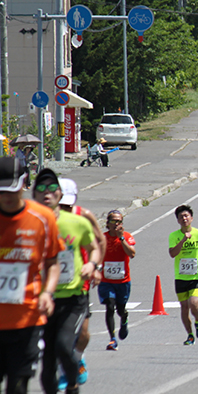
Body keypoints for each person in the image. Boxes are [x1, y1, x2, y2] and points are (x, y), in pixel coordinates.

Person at [33, 169, 102, 394]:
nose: (47, 193)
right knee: (48, 361)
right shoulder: (30, 224)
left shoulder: (77, 222)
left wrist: (92, 265)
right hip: (43, 300)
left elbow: (94, 247)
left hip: (73, 297)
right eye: (41, 188)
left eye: (52, 189)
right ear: (33, 194)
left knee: (64, 346)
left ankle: (72, 387)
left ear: (60, 195)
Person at [0, 157, 62, 394]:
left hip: (26, 318)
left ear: (24, 184)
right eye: (1, 191)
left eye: (12, 190)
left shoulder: (42, 219)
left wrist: (47, 292)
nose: (7, 196)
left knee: (18, 386)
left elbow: (52, 262)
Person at [55, 178, 106, 389]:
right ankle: (64, 372)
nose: (64, 209)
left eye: (67, 205)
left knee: (83, 333)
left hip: (79, 281)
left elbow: (100, 241)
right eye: (61, 205)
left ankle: (77, 358)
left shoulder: (84, 216)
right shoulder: (45, 219)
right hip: (52, 284)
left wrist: (95, 267)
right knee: (58, 335)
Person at [168, 204, 198, 346]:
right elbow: (172, 254)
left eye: (186, 216)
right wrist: (183, 240)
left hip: (196, 275)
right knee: (184, 307)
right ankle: (190, 335)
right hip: (181, 276)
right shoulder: (174, 236)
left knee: (193, 304)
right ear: (178, 221)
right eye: (181, 217)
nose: (184, 219)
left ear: (191, 218)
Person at [98, 209, 136, 351]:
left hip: (122, 281)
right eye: (113, 221)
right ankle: (112, 339)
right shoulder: (102, 238)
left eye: (119, 221)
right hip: (106, 281)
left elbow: (132, 254)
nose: (116, 224)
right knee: (110, 306)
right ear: (107, 223)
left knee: (120, 309)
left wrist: (121, 239)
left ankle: (124, 318)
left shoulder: (127, 236)